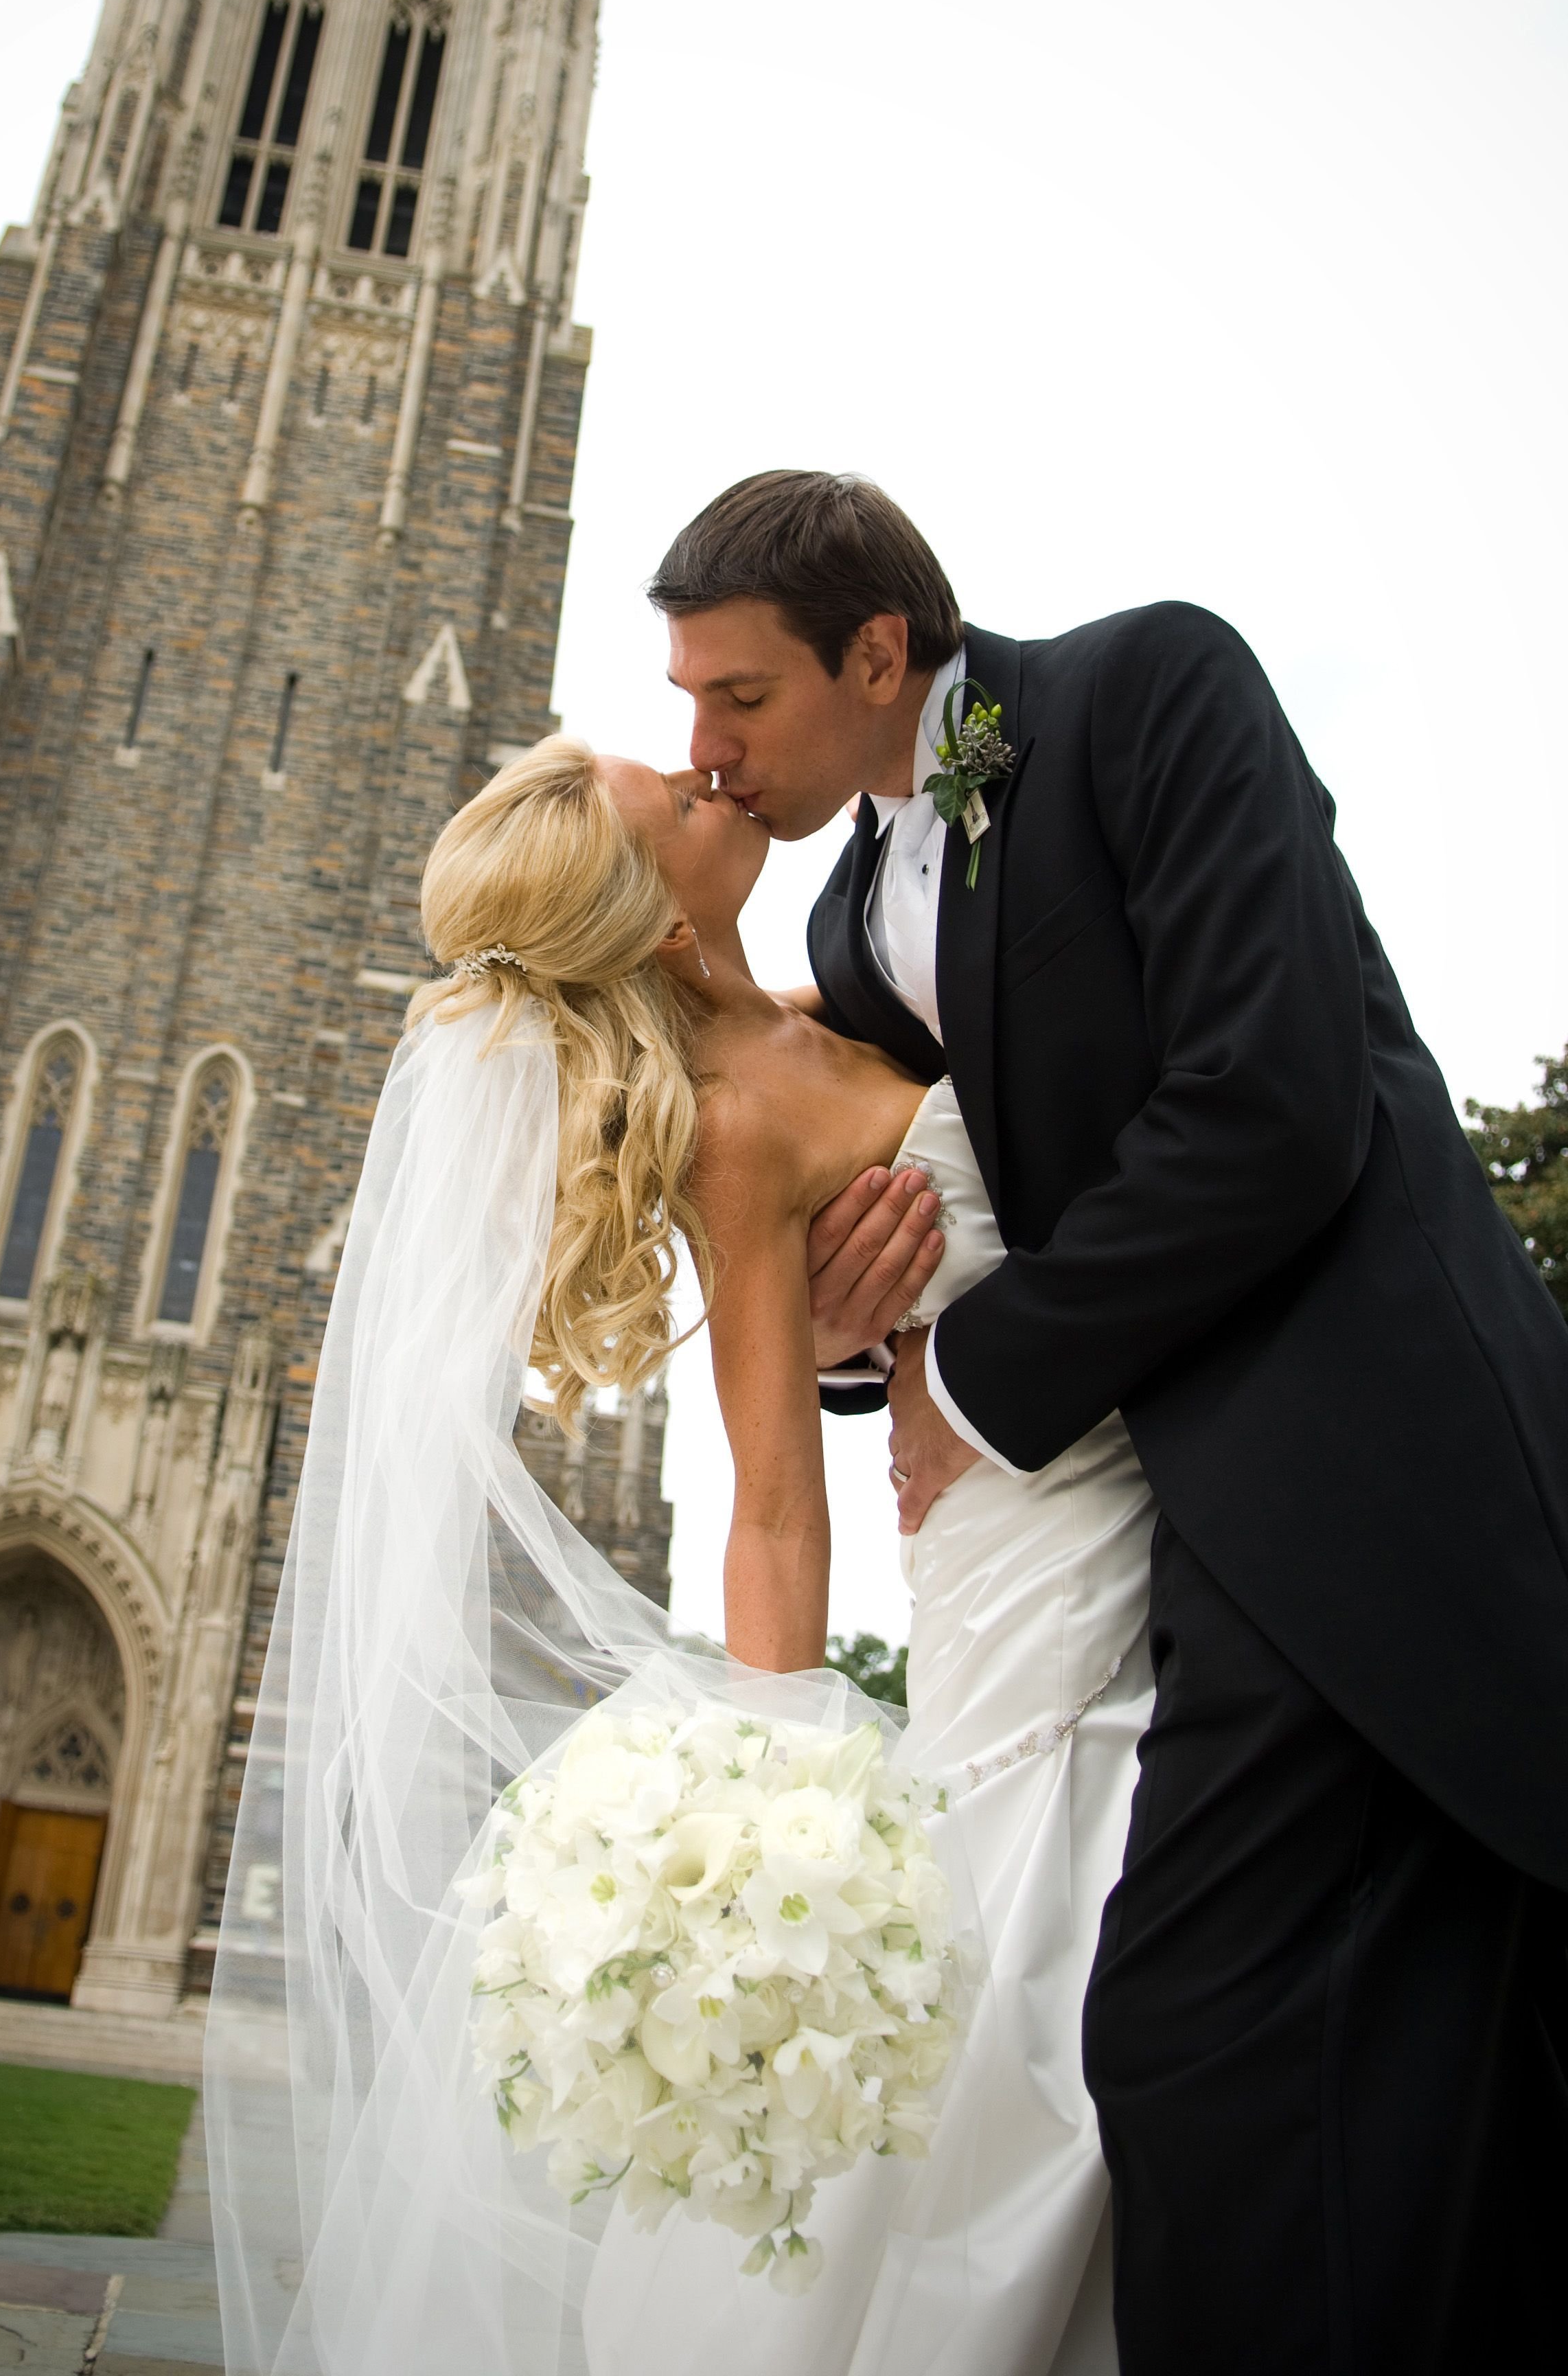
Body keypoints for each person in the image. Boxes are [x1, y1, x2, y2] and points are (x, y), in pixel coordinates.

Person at [646, 468, 1568, 2374]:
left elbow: (1275, 1100)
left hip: (1354, 1463)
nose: (707, 749)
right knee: (1348, 2048)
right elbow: (920, 1219)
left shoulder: (1152, 693)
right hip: (1135, 1533)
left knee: (1202, 2036)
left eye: (739, 699)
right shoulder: (843, 922)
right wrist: (851, 1339)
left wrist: (974, 1394)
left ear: (878, 651)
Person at [208, 734, 1151, 2376]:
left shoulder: (842, 1000)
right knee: (1046, 1998)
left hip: (1133, 1484)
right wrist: (788, 1803)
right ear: (654, 920)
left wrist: (880, 1349)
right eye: (681, 799)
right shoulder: (725, 1135)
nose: (719, 777)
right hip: (1027, 1561)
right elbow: (771, 1500)